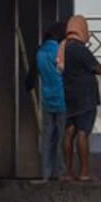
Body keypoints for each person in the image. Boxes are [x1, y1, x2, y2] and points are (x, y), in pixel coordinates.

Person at [61, 15, 101, 180]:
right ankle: (84, 171)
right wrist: (98, 67)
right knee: (82, 132)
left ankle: (68, 171)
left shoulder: (64, 47)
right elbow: (98, 69)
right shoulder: (80, 48)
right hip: (85, 96)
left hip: (69, 94)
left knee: (69, 131)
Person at [35, 22, 68, 181]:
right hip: (62, 99)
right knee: (62, 137)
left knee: (47, 138)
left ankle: (45, 174)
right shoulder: (60, 51)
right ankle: (60, 172)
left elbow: (33, 76)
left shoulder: (40, 52)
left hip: (46, 100)